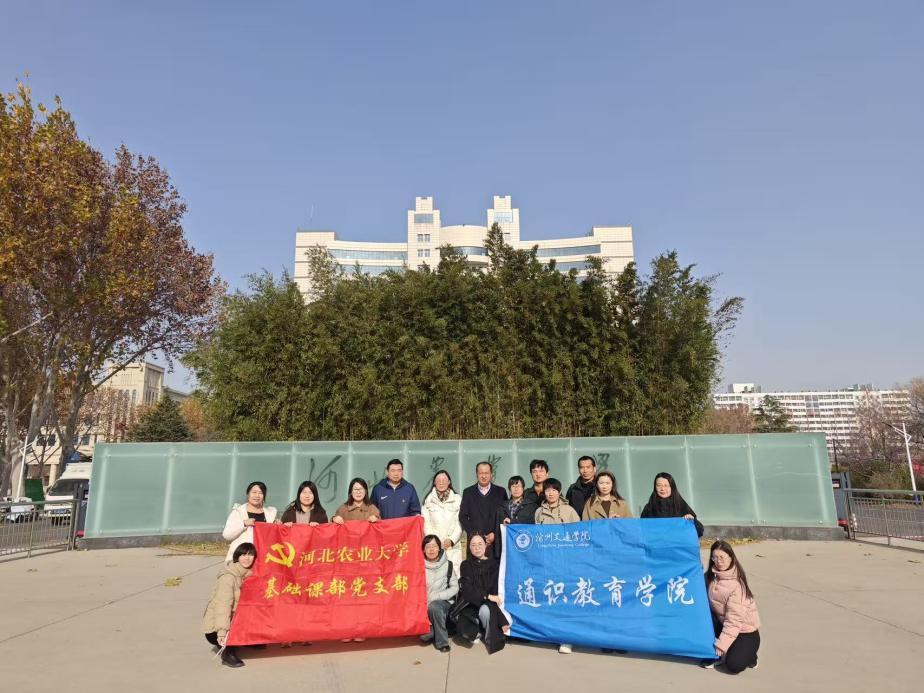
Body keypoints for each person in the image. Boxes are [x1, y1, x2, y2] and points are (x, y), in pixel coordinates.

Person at [533, 478, 580, 654]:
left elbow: (578, 535)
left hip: (565, 562)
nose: (551, 493)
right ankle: (552, 633)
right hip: (547, 562)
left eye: (554, 490)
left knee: (565, 599)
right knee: (550, 599)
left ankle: (567, 638)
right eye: (548, 490)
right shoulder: (539, 512)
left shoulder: (569, 511)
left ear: (559, 492)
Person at [702, 540, 761, 674]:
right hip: (723, 623)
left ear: (731, 557)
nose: (719, 561)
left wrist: (721, 645)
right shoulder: (711, 576)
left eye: (722, 557)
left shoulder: (737, 586)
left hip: (744, 631)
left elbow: (734, 621)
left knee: (734, 665)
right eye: (715, 557)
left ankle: (751, 655)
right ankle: (723, 651)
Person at [202, 542, 256, 668]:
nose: (247, 558)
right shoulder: (228, 577)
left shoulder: (250, 574)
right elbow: (223, 606)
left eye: (250, 554)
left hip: (234, 620)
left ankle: (249, 640)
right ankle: (228, 653)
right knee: (231, 619)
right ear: (237, 556)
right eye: (243, 555)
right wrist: (221, 632)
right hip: (216, 629)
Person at [454, 534, 508, 653]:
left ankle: (488, 636)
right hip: (470, 603)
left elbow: (496, 595)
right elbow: (468, 590)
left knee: (485, 610)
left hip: (488, 605)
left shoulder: (494, 565)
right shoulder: (466, 565)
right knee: (465, 630)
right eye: (473, 545)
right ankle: (477, 629)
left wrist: (502, 619)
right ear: (469, 547)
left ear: (486, 545)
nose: (477, 548)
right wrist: (487, 596)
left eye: (480, 544)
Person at [420, 534, 459, 652]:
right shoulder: (418, 567)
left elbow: (455, 587)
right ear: (423, 550)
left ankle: (442, 642)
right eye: (428, 547)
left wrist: (437, 596)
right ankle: (439, 629)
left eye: (434, 546)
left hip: (443, 604)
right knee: (425, 637)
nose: (431, 549)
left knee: (435, 606)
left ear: (439, 548)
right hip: (424, 606)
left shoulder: (447, 565)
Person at [222, 481, 278, 563]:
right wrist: (244, 524)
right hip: (242, 559)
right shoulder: (238, 512)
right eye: (254, 492)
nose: (257, 495)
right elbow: (227, 535)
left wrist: (278, 526)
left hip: (263, 559)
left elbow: (274, 537)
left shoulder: (270, 514)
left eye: (260, 493)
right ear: (248, 494)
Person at [459, 462, 507, 555]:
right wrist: (475, 535)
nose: (484, 476)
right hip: (475, 543)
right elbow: (463, 516)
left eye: (486, 473)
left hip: (495, 543)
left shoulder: (501, 492)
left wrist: (495, 533)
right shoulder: (468, 492)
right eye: (481, 473)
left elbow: (505, 516)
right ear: (476, 474)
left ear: (491, 474)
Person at [422, 471, 463, 573]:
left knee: (454, 574)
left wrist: (452, 540)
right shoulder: (428, 500)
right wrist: (435, 541)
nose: (441, 482)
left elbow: (460, 522)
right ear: (434, 483)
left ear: (449, 482)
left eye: (444, 480)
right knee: (435, 575)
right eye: (438, 480)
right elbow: (426, 523)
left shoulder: (458, 499)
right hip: (435, 545)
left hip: (453, 546)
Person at [640, 472, 704, 537]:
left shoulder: (681, 506)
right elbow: (642, 531)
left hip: (678, 542)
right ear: (655, 487)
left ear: (672, 487)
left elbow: (700, 531)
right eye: (659, 485)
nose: (662, 489)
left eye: (666, 485)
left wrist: (693, 521)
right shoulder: (649, 508)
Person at [491, 475, 538, 559]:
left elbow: (532, 526)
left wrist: (513, 522)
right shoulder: (502, 507)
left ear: (523, 488)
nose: (516, 489)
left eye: (518, 486)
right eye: (513, 486)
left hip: (525, 548)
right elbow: (497, 531)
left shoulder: (531, 506)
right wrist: (497, 553)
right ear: (509, 489)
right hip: (506, 548)